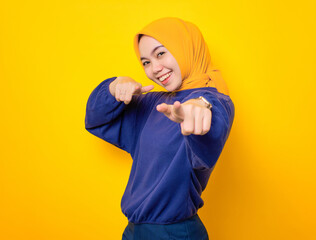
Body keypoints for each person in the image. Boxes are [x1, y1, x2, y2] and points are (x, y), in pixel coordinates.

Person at [85, 17, 235, 240]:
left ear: (185, 47)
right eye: (145, 62)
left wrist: (200, 107)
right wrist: (114, 86)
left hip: (173, 233)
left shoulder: (214, 99)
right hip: (134, 230)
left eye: (161, 53)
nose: (154, 68)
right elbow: (96, 118)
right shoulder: (151, 103)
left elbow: (211, 116)